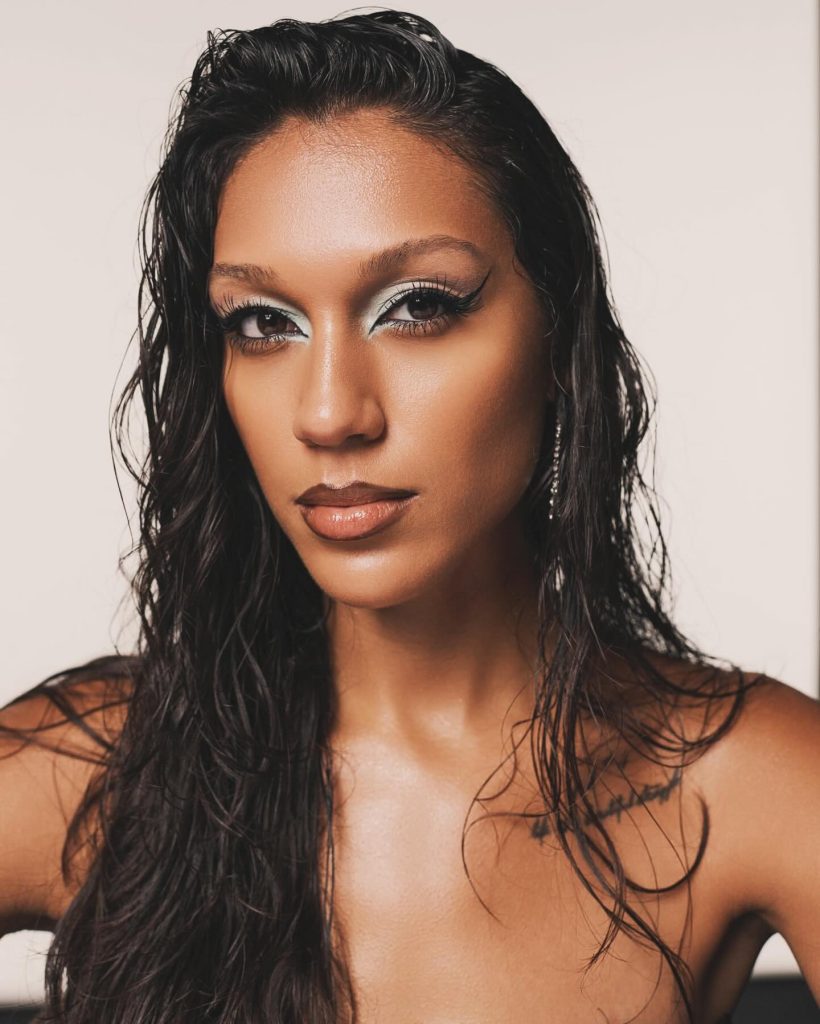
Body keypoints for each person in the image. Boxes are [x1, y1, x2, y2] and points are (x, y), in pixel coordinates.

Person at [0, 9, 817, 1023]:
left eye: (417, 307)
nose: (329, 413)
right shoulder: (90, 775)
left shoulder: (748, 786)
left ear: (556, 338)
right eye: (264, 323)